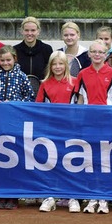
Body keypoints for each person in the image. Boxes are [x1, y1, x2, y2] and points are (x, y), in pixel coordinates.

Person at [74, 41, 112, 214]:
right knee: (90, 160)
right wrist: (80, 121)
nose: (97, 55)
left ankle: (104, 197)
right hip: (88, 124)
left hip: (107, 124)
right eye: (94, 52)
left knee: (105, 160)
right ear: (88, 54)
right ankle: (91, 197)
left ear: (106, 55)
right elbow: (80, 100)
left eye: (100, 52)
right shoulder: (82, 74)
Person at [0, 45, 34, 210]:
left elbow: (30, 98)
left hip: (15, 124)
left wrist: (15, 104)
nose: (5, 63)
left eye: (8, 60)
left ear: (15, 59)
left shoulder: (21, 77)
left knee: (14, 159)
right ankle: (1, 195)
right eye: (2, 60)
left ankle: (13, 197)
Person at [35, 51, 79, 213]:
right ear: (50, 66)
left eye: (61, 63)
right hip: (50, 130)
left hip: (71, 130)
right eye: (54, 64)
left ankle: (72, 197)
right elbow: (39, 108)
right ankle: (50, 197)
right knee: (51, 163)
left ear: (66, 66)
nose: (58, 67)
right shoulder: (45, 84)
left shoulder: (75, 82)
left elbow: (80, 106)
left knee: (71, 164)